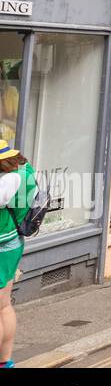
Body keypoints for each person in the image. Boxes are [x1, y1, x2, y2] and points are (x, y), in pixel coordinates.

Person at [0, 137, 36, 369]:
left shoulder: (9, 180)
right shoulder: (25, 170)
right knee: (4, 305)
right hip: (14, 241)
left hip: (2, 244)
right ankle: (5, 360)